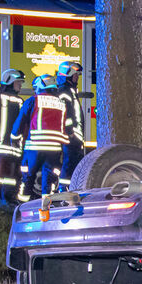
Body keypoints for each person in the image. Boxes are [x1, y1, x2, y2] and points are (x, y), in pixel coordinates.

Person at [14, 74, 73, 202]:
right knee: (50, 179)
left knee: (28, 177)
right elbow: (68, 127)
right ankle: (46, 208)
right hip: (54, 149)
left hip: (34, 147)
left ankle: (22, 206)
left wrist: (14, 138)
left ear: (41, 86)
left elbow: (20, 121)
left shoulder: (33, 100)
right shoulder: (61, 103)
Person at [0, 68, 25, 204]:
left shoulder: (20, 101)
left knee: (13, 176)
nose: (20, 85)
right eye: (18, 82)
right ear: (10, 82)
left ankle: (9, 198)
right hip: (2, 145)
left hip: (15, 146)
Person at [56, 61, 85, 191]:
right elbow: (65, 114)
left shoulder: (70, 91)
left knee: (73, 163)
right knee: (68, 164)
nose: (77, 78)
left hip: (75, 136)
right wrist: (69, 132)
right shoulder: (63, 92)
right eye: (75, 75)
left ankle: (70, 188)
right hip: (70, 136)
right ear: (67, 75)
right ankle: (63, 188)